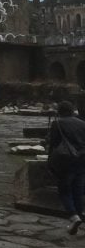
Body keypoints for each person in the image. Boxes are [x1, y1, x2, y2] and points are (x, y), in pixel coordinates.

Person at [47, 100, 85, 234]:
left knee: (64, 190)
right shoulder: (82, 124)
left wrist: (49, 162)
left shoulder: (57, 124)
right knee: (78, 191)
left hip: (65, 161)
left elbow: (53, 145)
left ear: (60, 112)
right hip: (81, 160)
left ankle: (73, 216)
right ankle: (79, 216)